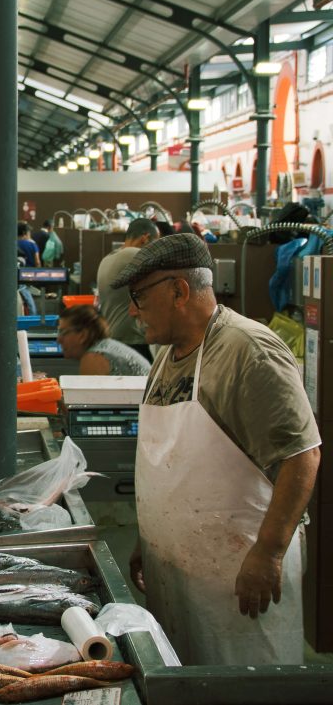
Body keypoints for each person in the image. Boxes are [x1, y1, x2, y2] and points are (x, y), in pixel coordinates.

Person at [114, 234, 321, 665]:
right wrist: (147, 537)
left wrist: (268, 552)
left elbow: (302, 456)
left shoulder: (247, 349)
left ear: (179, 290)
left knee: (243, 684)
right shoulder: (167, 356)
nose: (133, 310)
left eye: (139, 296)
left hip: (238, 573)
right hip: (180, 572)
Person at [97, 218, 159, 362]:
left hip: (112, 338)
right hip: (131, 340)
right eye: (156, 242)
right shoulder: (134, 254)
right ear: (145, 238)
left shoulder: (108, 257)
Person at [56, 304, 150, 376]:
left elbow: (90, 400)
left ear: (83, 335)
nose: (59, 340)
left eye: (63, 332)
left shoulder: (94, 358)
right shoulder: (106, 346)